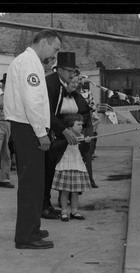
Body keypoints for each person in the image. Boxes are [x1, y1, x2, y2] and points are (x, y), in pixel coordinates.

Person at [4, 29, 62, 250]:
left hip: (26, 126)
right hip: (29, 127)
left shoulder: (28, 61)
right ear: (45, 42)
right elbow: (32, 101)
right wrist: (41, 132)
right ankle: (26, 236)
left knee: (35, 183)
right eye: (55, 48)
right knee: (31, 184)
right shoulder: (30, 62)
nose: (54, 54)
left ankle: (32, 227)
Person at [41, 52, 81, 220]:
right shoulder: (50, 84)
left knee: (50, 171)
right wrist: (64, 131)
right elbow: (46, 113)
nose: (72, 75)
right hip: (42, 133)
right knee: (44, 172)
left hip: (52, 133)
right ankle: (43, 206)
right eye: (70, 71)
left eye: (74, 72)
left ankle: (47, 204)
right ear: (60, 70)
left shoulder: (60, 85)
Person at [50, 114, 92, 222]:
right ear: (69, 127)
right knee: (64, 191)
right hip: (65, 166)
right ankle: (64, 211)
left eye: (81, 125)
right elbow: (54, 147)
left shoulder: (82, 137)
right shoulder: (62, 137)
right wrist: (67, 141)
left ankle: (74, 211)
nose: (81, 127)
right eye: (78, 124)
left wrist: (86, 143)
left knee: (75, 192)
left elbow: (85, 151)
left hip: (77, 166)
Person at [77, 76, 98, 188]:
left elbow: (93, 106)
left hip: (87, 125)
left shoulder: (87, 93)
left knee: (87, 154)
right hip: (75, 126)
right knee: (75, 153)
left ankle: (90, 179)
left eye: (80, 80)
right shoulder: (69, 93)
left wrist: (85, 108)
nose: (79, 82)